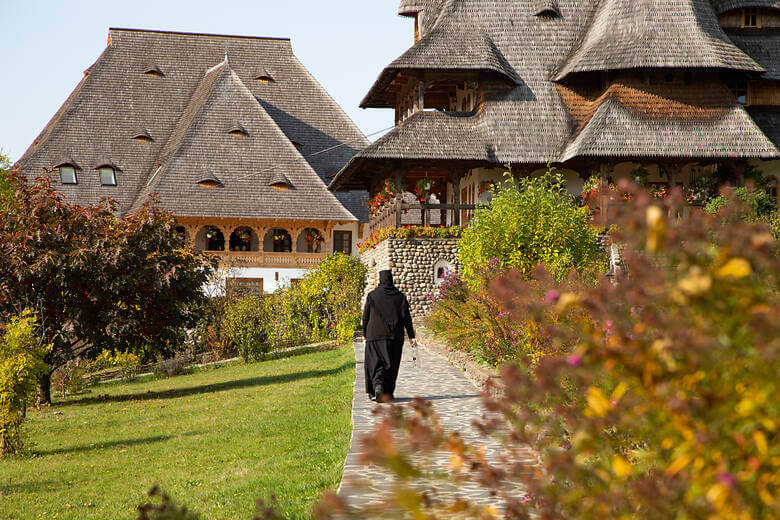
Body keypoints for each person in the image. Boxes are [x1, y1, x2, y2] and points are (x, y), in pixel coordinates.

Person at [362, 270, 417, 402]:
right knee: (391, 364)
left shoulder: (372, 296)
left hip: (374, 336)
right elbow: (406, 318)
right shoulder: (399, 297)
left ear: (381, 280)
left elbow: (365, 317)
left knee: (375, 363)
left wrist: (365, 334)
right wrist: (411, 336)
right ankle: (387, 392)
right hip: (394, 337)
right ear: (391, 280)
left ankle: (378, 386)